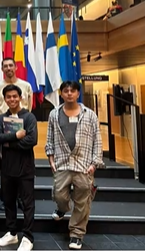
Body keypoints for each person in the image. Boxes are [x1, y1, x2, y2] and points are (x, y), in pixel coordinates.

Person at [45, 81, 103, 250]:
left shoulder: (90, 114)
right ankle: (63, 208)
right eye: (66, 91)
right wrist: (51, 158)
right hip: (62, 163)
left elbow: (97, 140)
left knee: (82, 201)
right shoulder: (54, 114)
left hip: (84, 164)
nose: (69, 93)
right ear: (61, 93)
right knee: (59, 195)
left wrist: (95, 163)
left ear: (78, 93)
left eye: (73, 91)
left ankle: (76, 234)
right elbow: (50, 138)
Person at [0, 84, 37, 251]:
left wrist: (9, 142)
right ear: (4, 99)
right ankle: (12, 233)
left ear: (20, 97)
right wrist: (15, 136)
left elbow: (31, 141)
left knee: (27, 203)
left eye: (14, 96)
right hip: (7, 167)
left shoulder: (29, 117)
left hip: (25, 167)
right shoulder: (0, 119)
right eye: (8, 97)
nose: (12, 99)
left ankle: (28, 236)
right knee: (9, 201)